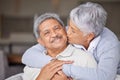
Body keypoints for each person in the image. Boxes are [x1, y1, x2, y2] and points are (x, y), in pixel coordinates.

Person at [22, 2, 120, 80]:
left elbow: (104, 77)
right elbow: (28, 55)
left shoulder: (109, 44)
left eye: (72, 30)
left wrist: (64, 69)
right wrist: (54, 66)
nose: (67, 32)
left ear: (89, 36)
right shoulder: (69, 31)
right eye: (68, 26)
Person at [22, 13, 97, 80]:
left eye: (57, 28)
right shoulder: (32, 64)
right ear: (40, 41)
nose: (54, 34)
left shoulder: (85, 59)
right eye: (47, 33)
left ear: (65, 30)